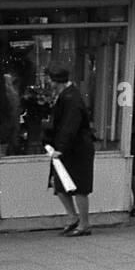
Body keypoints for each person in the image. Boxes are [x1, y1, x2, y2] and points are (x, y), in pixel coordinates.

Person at [44, 61, 96, 237]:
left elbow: (70, 125)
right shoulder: (65, 94)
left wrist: (61, 148)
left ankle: (84, 224)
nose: (48, 83)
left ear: (56, 81)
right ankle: (73, 218)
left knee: (79, 187)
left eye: (50, 80)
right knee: (58, 184)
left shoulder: (71, 98)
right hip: (68, 148)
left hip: (77, 149)